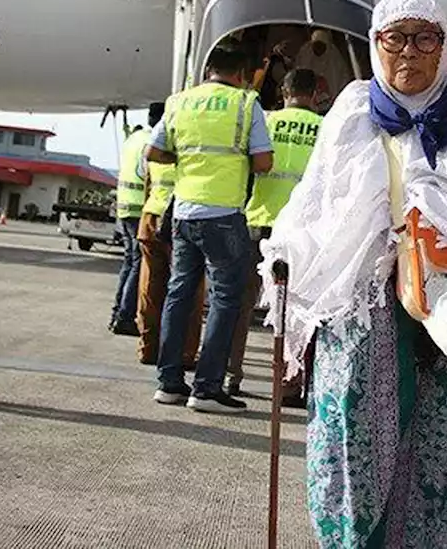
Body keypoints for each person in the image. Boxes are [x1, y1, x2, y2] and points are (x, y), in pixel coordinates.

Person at [259, 0, 447, 548]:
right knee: (357, 443)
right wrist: (289, 253)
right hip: (365, 306)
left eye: (426, 38)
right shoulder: (352, 110)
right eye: (394, 38)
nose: (409, 52)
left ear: (444, 47)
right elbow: (317, 201)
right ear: (376, 45)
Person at [145, 46, 274, 414]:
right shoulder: (246, 104)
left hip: (184, 213)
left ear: (208, 70)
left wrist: (184, 158)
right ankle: (206, 389)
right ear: (240, 74)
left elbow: (154, 152)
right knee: (224, 299)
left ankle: (168, 383)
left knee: (179, 294)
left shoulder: (179, 102)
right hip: (223, 214)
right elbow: (263, 162)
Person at [226, 67, 323, 407]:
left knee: (240, 303)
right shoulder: (325, 129)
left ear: (283, 93)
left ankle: (230, 376)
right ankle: (290, 385)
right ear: (315, 96)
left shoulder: (265, 122)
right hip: (303, 232)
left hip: (259, 221)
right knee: (297, 310)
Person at [135, 100, 204, 367]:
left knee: (151, 291)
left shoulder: (152, 149)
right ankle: (185, 354)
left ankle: (148, 349)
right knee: (189, 291)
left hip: (151, 217)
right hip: (180, 220)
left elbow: (147, 185)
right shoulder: (190, 150)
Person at [109, 121, 150, 336]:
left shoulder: (134, 138)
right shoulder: (150, 141)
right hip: (138, 209)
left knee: (129, 262)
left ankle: (117, 314)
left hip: (124, 208)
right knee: (138, 263)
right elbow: (146, 173)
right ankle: (125, 317)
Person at [293, 28, 353, 113]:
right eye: (315, 46)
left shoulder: (334, 57)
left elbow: (341, 80)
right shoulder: (305, 53)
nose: (318, 49)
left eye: (321, 46)